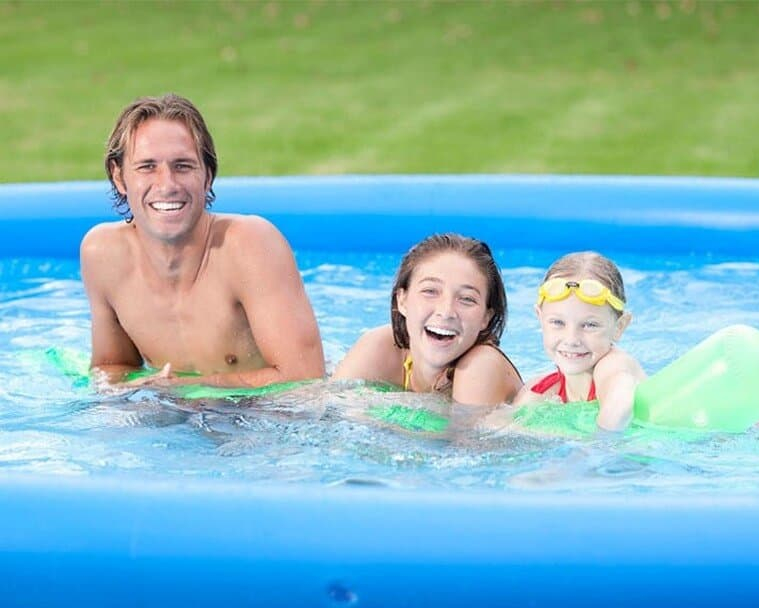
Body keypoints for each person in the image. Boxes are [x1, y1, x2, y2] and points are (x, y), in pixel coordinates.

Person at [80, 94, 324, 387]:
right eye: (147, 167)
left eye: (183, 166)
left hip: (265, 413)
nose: (167, 185)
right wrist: (126, 391)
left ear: (208, 176)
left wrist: (183, 390)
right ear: (119, 177)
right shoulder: (104, 254)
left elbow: (304, 381)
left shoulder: (249, 245)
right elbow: (112, 366)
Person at [332, 233, 522, 406]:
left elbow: (464, 435)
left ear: (486, 318)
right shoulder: (380, 347)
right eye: (430, 291)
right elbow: (326, 414)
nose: (446, 312)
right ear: (402, 300)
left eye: (466, 299)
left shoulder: (480, 367)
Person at [512, 251, 645, 431]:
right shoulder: (540, 392)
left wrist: (594, 445)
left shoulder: (612, 365)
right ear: (540, 318)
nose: (572, 340)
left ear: (619, 327)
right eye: (558, 322)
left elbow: (618, 407)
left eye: (590, 325)